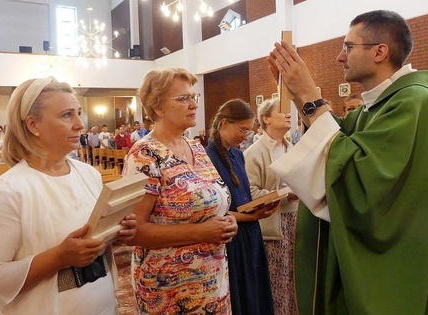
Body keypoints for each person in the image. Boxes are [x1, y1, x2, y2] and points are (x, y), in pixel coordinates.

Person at [267, 10, 428, 314]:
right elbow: (338, 139)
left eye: (348, 47)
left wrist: (310, 94)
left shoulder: (415, 101)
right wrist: (297, 94)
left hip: (397, 261)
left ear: (379, 51)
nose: (339, 57)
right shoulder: (373, 108)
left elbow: (362, 179)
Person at [0, 77, 137, 314]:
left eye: (79, 113)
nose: (79, 124)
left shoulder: (88, 174)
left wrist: (116, 232)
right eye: (67, 115)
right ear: (33, 125)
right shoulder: (9, 191)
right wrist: (59, 257)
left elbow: (93, 241)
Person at [123, 68, 238, 314]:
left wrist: (228, 222)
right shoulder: (145, 155)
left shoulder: (196, 147)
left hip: (212, 281)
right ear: (157, 108)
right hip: (168, 289)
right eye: (183, 98)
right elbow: (133, 232)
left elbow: (211, 202)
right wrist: (202, 232)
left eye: (193, 97)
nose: (193, 104)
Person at [206, 99, 276, 315]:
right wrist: (252, 216)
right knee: (240, 295)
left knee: (255, 290)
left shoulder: (237, 154)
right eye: (242, 130)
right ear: (225, 123)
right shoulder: (208, 157)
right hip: (232, 235)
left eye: (248, 131)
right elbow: (216, 211)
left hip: (250, 232)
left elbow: (244, 196)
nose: (245, 137)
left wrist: (260, 206)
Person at [243, 97, 298, 315]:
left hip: (295, 221)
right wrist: (285, 195)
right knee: (276, 282)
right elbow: (251, 192)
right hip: (272, 224)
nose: (288, 115)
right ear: (266, 118)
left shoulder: (291, 147)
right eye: (281, 112)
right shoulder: (254, 153)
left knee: (294, 279)